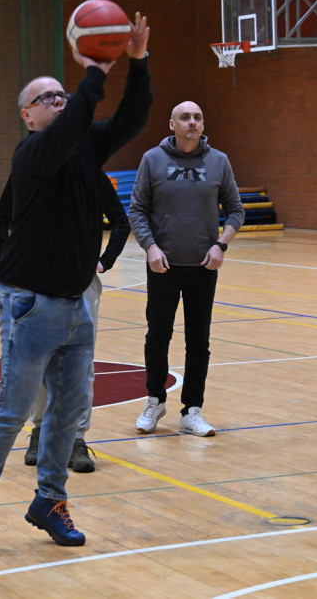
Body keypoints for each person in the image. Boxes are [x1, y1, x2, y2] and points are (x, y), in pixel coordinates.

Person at [0, 13, 151, 558]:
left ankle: (50, 500)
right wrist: (92, 73)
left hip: (76, 300)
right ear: (27, 116)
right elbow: (74, 123)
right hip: (29, 302)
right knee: (13, 409)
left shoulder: (84, 146)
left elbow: (132, 117)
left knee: (67, 411)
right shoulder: (33, 154)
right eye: (49, 97)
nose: (61, 101)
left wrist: (136, 63)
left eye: (64, 94)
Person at [0, 171, 130, 474]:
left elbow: (121, 221)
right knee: (37, 360)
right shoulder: (28, 170)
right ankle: (39, 431)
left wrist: (106, 259)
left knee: (81, 363)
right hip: (34, 280)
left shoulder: (91, 175)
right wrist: (10, 270)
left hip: (81, 280)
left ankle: (75, 438)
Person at [127, 101, 244, 437]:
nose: (192, 122)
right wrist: (150, 247)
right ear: (171, 124)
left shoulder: (219, 161)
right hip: (163, 265)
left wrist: (221, 245)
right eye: (185, 118)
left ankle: (192, 410)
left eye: (197, 118)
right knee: (158, 336)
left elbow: (236, 210)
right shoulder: (152, 160)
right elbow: (137, 210)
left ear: (203, 124)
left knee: (198, 340)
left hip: (203, 266)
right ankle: (154, 400)